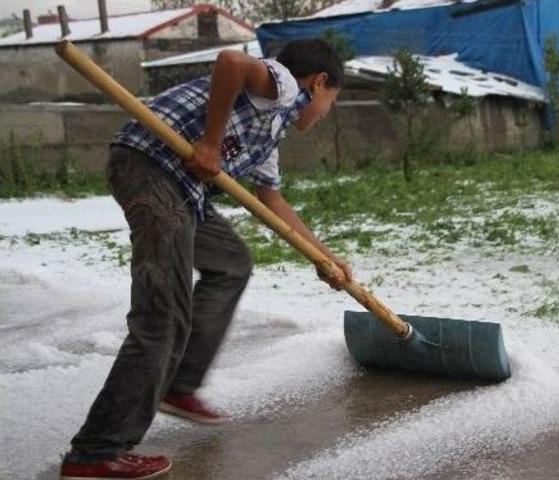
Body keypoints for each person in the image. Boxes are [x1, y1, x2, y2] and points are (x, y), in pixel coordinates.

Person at [59, 38, 352, 480]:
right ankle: (96, 451)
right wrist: (211, 143)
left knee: (231, 261)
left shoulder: (270, 133)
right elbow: (231, 61)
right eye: (333, 101)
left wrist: (324, 258)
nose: (326, 112)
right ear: (320, 82)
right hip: (153, 166)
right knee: (163, 318)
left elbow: (271, 198)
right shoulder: (285, 85)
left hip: (184, 192)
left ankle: (179, 385)